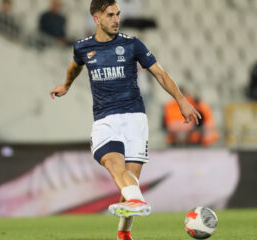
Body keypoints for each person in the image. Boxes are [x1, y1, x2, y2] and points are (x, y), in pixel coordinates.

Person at [49, 1, 201, 239]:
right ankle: (138, 200)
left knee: (129, 183)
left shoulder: (132, 44)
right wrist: (67, 84)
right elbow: (74, 67)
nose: (116, 19)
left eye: (118, 14)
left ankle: (124, 233)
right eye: (110, 15)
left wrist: (181, 100)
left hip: (135, 120)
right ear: (96, 19)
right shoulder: (82, 47)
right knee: (114, 164)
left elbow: (160, 73)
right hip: (105, 120)